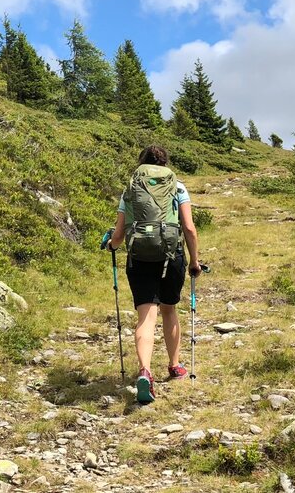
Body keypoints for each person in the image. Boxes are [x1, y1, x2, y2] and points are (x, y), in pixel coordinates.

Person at [105, 145, 201, 404]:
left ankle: (145, 371)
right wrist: (195, 261)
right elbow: (189, 228)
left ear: (142, 164)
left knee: (146, 317)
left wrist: (111, 245)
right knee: (169, 310)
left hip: (139, 257)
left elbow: (118, 235)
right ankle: (175, 366)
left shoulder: (131, 189)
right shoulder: (178, 187)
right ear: (165, 164)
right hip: (172, 255)